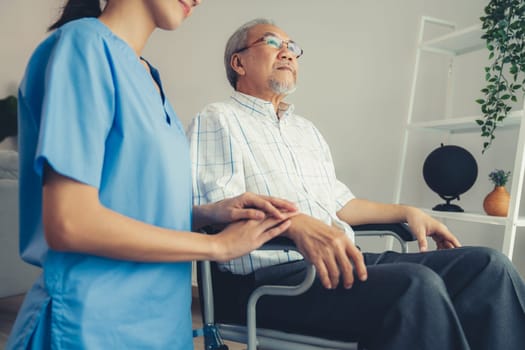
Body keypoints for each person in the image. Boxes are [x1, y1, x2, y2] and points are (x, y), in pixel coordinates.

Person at [187, 18, 525, 350]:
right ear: (239, 62)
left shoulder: (305, 131)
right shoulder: (218, 119)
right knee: (415, 286)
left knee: (488, 267)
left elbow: (340, 205)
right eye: (273, 43)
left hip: (341, 262)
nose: (288, 53)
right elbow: (223, 210)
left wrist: (408, 211)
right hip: (271, 280)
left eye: (293, 48)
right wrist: (293, 225)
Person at [7, 5, 298, 350]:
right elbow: (71, 222)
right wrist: (216, 245)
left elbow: (127, 203)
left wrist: (208, 213)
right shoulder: (83, 45)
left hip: (163, 325)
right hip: (92, 326)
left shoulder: (147, 75)